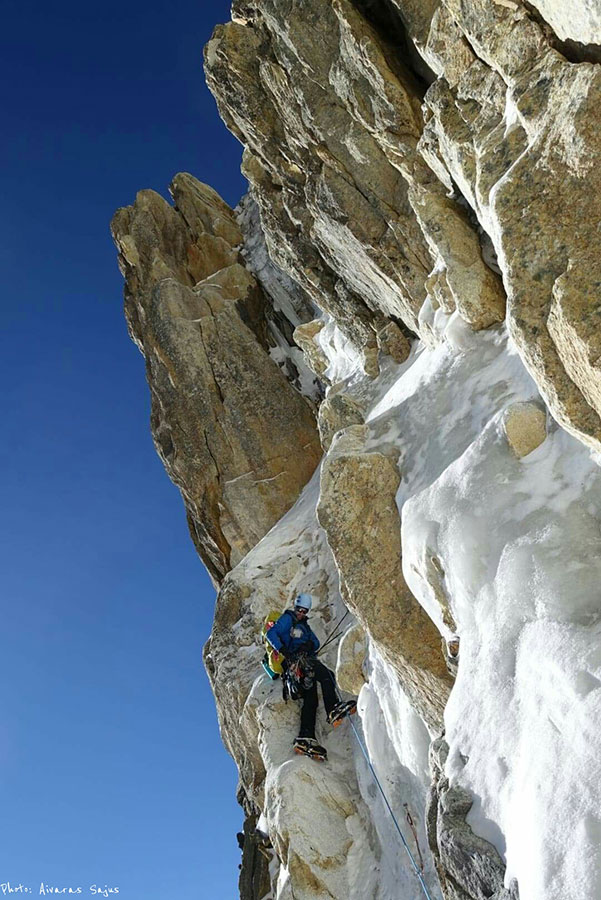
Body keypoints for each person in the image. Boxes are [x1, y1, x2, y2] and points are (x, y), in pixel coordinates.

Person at [265, 593, 356, 759]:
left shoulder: (304, 625)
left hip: (301, 664)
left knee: (311, 699)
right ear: (295, 607)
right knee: (326, 675)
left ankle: (306, 737)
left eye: (304, 611)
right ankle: (333, 708)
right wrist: (284, 650)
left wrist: (309, 644)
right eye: (299, 609)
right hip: (299, 660)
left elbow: (316, 643)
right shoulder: (288, 619)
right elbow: (270, 635)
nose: (301, 613)